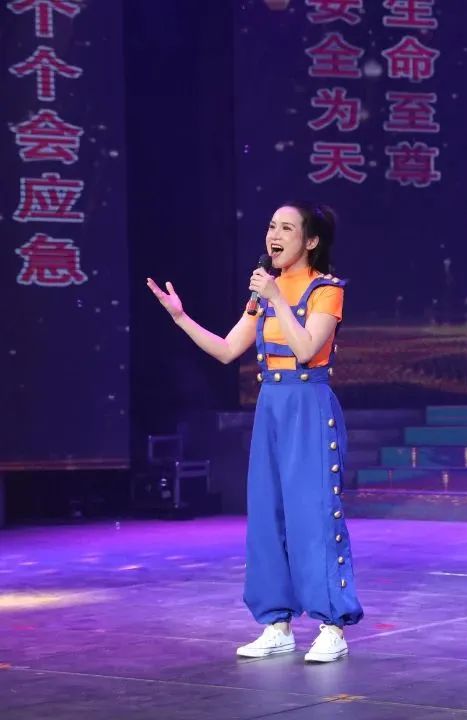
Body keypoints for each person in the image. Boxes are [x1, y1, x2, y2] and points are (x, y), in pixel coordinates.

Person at [147, 201, 363, 663]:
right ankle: (276, 623)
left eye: (287, 228)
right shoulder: (265, 291)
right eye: (271, 226)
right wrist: (180, 318)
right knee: (268, 516)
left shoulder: (326, 290)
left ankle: (331, 626)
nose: (274, 235)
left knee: (313, 516)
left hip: (308, 405)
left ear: (311, 241)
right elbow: (228, 350)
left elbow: (306, 349)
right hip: (271, 405)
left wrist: (277, 298)